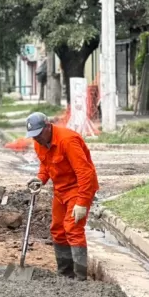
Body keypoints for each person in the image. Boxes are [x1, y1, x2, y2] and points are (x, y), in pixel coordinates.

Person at [26, 112, 99, 281]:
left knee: (72, 228)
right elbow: (46, 166)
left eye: (37, 134)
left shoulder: (67, 141)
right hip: (60, 190)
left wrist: (82, 202)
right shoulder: (39, 143)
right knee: (58, 229)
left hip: (78, 188)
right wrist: (40, 179)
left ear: (47, 127)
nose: (36, 139)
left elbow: (85, 173)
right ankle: (65, 274)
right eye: (33, 136)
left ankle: (80, 277)